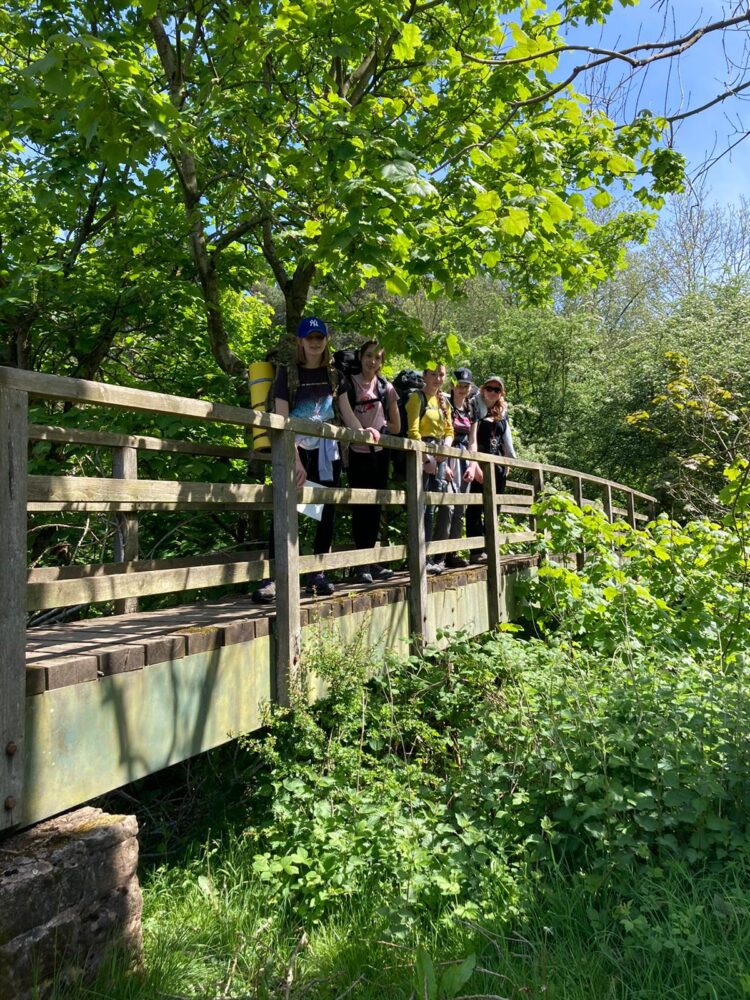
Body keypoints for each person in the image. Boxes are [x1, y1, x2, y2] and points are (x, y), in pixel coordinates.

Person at [253, 317, 341, 603]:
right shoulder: (287, 375)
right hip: (296, 448)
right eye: (310, 337)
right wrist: (296, 461)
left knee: (325, 511)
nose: (315, 342)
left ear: (326, 340)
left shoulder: (333, 375)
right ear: (301, 342)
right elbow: (282, 418)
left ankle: (317, 574)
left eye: (320, 337)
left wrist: (364, 431)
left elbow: (343, 410)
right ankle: (275, 578)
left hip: (327, 449)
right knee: (287, 509)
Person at [337, 340, 401, 584]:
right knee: (361, 507)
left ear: (381, 362)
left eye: (377, 358)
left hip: (381, 454)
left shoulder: (386, 387)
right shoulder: (347, 384)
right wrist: (365, 432)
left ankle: (370, 563)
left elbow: (397, 426)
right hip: (357, 452)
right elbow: (346, 413)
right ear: (360, 357)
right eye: (369, 356)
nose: (372, 361)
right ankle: (361, 564)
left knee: (374, 509)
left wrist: (382, 428)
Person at [405, 363, 453, 574]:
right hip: (422, 454)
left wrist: (445, 450)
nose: (437, 378)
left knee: (431, 507)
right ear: (424, 375)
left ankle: (428, 557)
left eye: (441, 374)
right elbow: (413, 431)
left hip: (440, 456)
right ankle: (418, 557)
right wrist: (426, 458)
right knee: (421, 507)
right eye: (433, 374)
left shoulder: (443, 402)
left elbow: (449, 430)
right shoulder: (417, 398)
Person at [464, 375, 516, 563]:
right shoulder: (475, 407)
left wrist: (507, 462)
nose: (492, 392)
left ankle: (490, 547)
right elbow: (472, 439)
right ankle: (476, 551)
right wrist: (474, 462)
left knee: (495, 508)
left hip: (499, 467)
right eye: (489, 388)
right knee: (475, 507)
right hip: (481, 463)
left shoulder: (502, 411)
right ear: (483, 389)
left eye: (497, 390)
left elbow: (505, 439)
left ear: (501, 393)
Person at [434, 367, 479, 568]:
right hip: (448, 457)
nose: (462, 389)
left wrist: (473, 464)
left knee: (460, 507)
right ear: (453, 385)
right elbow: (441, 434)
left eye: (466, 386)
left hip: (464, 460)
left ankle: (453, 553)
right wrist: (443, 462)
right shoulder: (445, 404)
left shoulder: (471, 408)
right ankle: (439, 555)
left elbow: (473, 441)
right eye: (460, 385)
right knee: (447, 506)